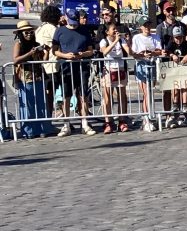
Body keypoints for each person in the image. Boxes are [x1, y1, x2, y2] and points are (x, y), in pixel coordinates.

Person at [52, 9, 97, 137]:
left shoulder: (84, 30)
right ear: (66, 18)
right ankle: (66, 124)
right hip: (66, 67)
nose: (73, 24)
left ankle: (84, 123)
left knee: (82, 95)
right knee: (66, 96)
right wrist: (65, 55)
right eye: (71, 22)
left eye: (75, 22)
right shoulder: (60, 31)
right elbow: (54, 50)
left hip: (82, 66)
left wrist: (82, 54)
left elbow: (90, 50)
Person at [11, 20, 54, 139]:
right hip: (25, 79)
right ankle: (29, 131)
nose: (29, 34)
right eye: (26, 32)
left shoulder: (36, 44)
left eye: (31, 32)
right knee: (28, 105)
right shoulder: (18, 44)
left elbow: (43, 61)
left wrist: (46, 51)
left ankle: (44, 128)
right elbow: (15, 60)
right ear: (21, 33)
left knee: (41, 104)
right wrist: (30, 53)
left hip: (38, 77)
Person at [98, 22, 132, 133]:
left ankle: (121, 120)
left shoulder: (121, 40)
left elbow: (128, 52)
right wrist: (115, 41)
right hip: (108, 70)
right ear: (107, 32)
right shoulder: (104, 41)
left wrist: (127, 41)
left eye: (116, 29)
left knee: (122, 96)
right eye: (113, 29)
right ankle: (108, 122)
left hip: (120, 69)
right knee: (107, 97)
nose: (116, 31)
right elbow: (105, 52)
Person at [131, 19, 162, 132]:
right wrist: (141, 54)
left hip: (152, 65)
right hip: (141, 66)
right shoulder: (137, 38)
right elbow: (134, 53)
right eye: (145, 26)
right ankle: (146, 118)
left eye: (148, 25)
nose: (147, 27)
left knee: (150, 92)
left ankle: (149, 115)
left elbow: (160, 50)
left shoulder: (155, 37)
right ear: (141, 27)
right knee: (146, 93)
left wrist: (152, 53)